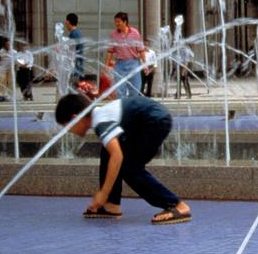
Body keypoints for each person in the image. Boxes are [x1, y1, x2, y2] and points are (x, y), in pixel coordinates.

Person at [55, 93, 192, 224]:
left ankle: (177, 205)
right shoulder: (100, 115)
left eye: (66, 126)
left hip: (154, 121)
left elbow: (117, 156)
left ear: (75, 118)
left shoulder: (100, 121)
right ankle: (111, 205)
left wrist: (103, 193)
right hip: (152, 118)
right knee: (107, 152)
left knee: (130, 168)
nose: (68, 131)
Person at [104, 12, 146, 98]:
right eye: (115, 21)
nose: (116, 24)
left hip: (133, 63)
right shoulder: (113, 35)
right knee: (120, 90)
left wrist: (145, 64)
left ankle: (132, 108)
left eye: (118, 21)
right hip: (119, 64)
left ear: (125, 22)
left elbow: (141, 50)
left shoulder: (135, 33)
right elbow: (110, 51)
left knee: (135, 89)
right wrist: (106, 65)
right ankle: (123, 108)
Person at [65, 13, 84, 86]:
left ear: (68, 22)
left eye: (66, 22)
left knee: (73, 89)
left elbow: (70, 51)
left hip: (74, 68)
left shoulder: (73, 34)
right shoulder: (78, 32)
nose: (66, 24)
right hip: (78, 66)